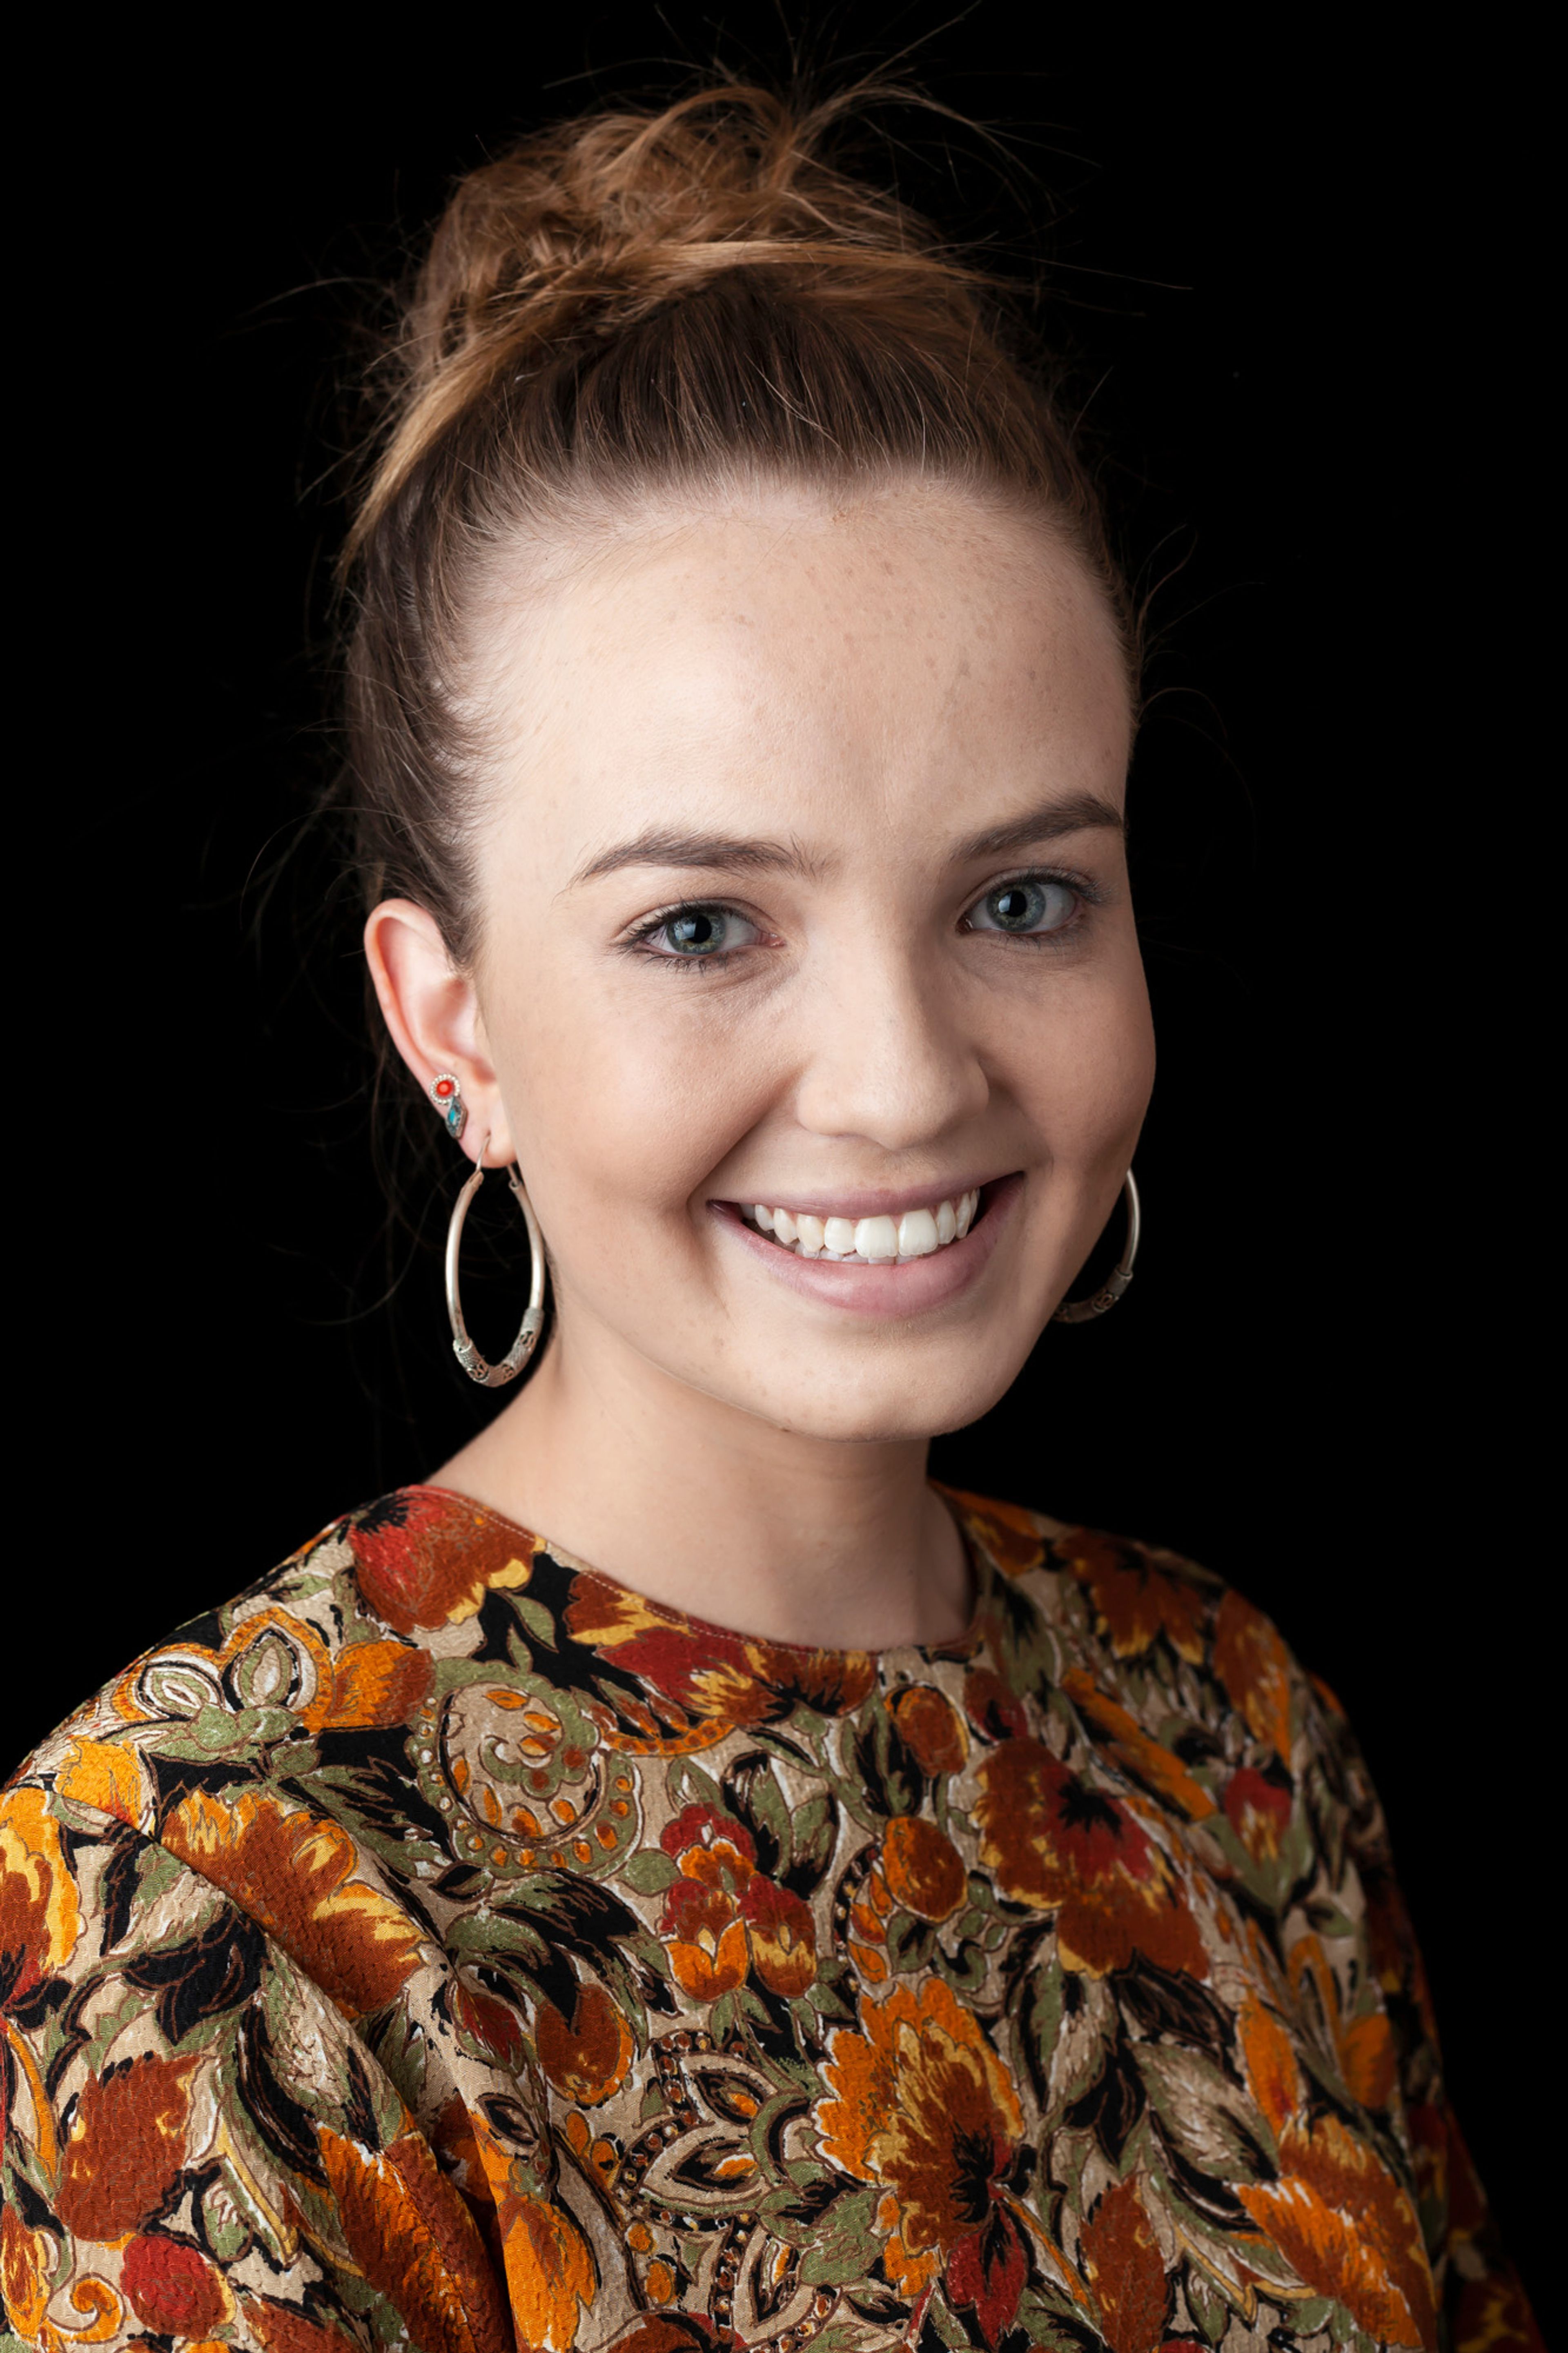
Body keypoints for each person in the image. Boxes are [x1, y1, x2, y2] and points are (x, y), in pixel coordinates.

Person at [0, 81, 1537, 2353]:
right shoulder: (196, 1887)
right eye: (707, 925)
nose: (911, 1076)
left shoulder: (1232, 1728)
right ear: (458, 1030)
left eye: (1021, 896)